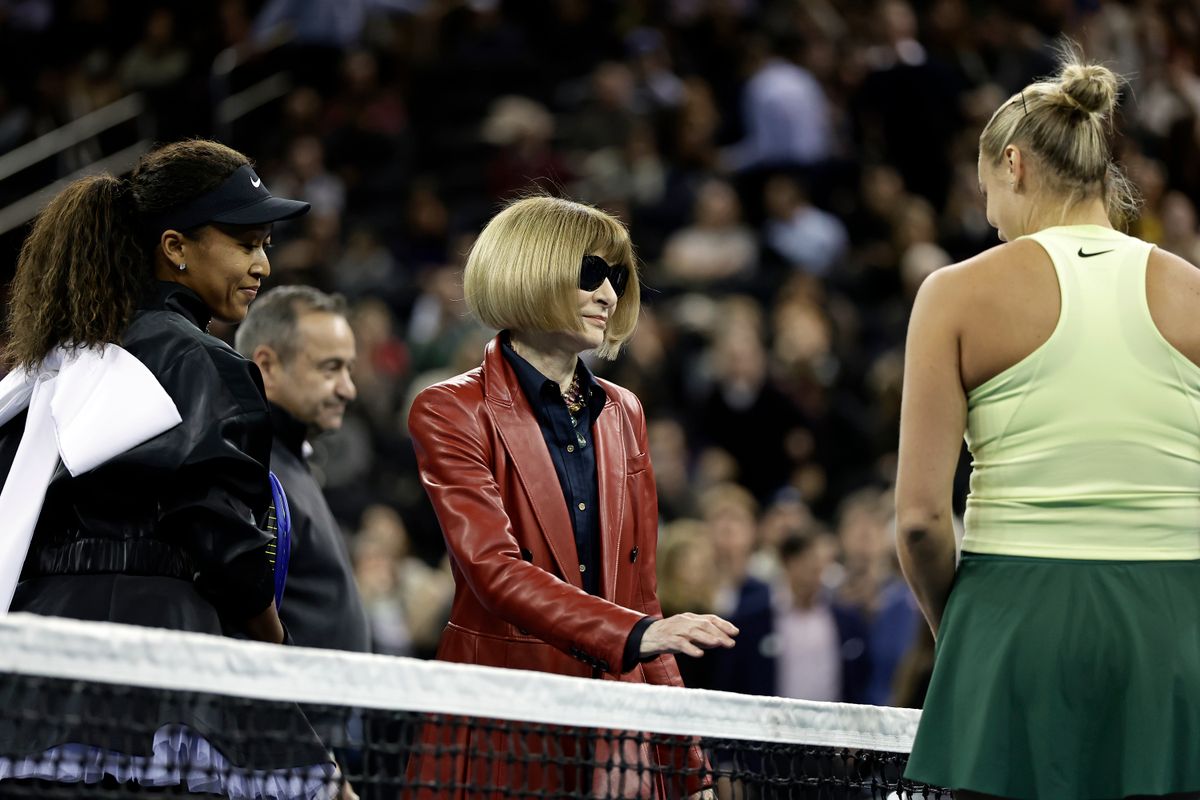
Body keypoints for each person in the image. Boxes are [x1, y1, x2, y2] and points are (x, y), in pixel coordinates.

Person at [896, 54, 1200, 800]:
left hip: (1015, 628)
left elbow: (920, 522)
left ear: (1013, 165)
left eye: (988, 196)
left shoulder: (955, 293)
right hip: (1177, 634)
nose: (991, 219)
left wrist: (966, 630)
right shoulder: (1195, 293)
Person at [0, 139, 335, 798]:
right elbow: (223, 542)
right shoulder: (207, 363)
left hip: (33, 678)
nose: (262, 264)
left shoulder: (41, 368)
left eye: (265, 243)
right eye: (245, 243)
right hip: (157, 674)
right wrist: (276, 648)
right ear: (176, 247)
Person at [406, 195, 738, 798]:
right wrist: (633, 634)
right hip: (499, 724)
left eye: (617, 277)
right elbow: (494, 571)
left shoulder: (625, 411)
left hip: (611, 734)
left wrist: (689, 770)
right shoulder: (450, 409)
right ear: (530, 268)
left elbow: (643, 601)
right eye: (591, 273)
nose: (609, 295)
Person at [236, 285, 371, 655]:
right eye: (331, 368)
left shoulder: (287, 461)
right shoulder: (251, 469)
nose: (348, 389)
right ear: (267, 366)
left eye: (349, 369)